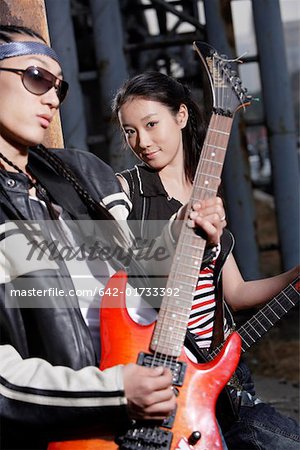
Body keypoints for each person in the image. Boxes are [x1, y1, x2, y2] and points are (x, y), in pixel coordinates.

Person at [0, 25, 228, 450]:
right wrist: (114, 391)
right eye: (35, 78)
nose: (52, 97)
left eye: (59, 87)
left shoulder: (83, 173)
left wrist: (178, 239)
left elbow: (130, 280)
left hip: (164, 411)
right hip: (73, 434)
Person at [112, 71, 300, 449]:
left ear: (181, 116)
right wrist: (173, 231)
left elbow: (236, 292)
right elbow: (117, 275)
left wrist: (295, 275)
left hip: (226, 375)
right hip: (162, 374)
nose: (142, 142)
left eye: (151, 124)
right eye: (130, 131)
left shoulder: (206, 190)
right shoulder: (125, 190)